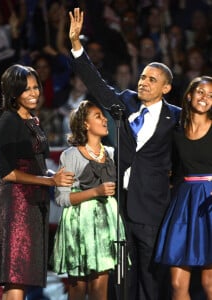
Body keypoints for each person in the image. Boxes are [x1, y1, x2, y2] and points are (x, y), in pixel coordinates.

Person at [68, 8, 181, 300]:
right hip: (119, 204)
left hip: (153, 206)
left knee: (151, 274)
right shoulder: (126, 103)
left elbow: (188, 154)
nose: (143, 82)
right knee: (121, 274)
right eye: (142, 77)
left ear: (166, 87)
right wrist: (77, 47)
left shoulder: (176, 118)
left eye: (152, 80)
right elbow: (96, 83)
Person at [0, 64, 75, 300]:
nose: (33, 93)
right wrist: (49, 182)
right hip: (17, 202)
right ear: (13, 92)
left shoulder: (32, 119)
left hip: (33, 200)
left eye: (36, 87)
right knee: (16, 274)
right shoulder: (9, 120)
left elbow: (35, 163)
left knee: (20, 277)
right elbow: (7, 172)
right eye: (26, 89)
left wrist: (53, 177)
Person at [50, 100, 126, 300]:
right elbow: (61, 198)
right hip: (79, 223)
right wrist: (96, 191)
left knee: (100, 290)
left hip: (105, 223)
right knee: (78, 289)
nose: (104, 120)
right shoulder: (71, 155)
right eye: (98, 116)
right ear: (85, 124)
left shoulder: (111, 153)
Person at [155, 76, 212, 300]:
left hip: (209, 202)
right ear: (189, 95)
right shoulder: (177, 130)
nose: (205, 98)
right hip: (184, 202)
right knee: (177, 284)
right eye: (200, 92)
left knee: (209, 284)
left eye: (210, 95)